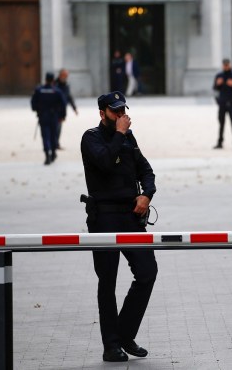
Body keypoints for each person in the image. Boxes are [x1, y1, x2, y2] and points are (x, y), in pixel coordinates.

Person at [80, 91, 157, 362]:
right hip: (104, 218)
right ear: (102, 114)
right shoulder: (92, 138)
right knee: (107, 281)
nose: (121, 115)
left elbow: (145, 170)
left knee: (148, 272)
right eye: (115, 111)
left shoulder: (128, 138)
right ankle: (111, 345)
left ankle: (125, 333)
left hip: (130, 217)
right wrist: (120, 134)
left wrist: (147, 194)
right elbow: (103, 162)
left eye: (123, 109)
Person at [31, 72, 66, 165]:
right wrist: (63, 116)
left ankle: (47, 155)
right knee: (53, 135)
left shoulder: (39, 90)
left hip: (43, 116)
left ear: (45, 79)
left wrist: (37, 110)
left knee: (45, 136)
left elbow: (33, 104)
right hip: (54, 116)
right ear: (53, 80)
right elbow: (63, 104)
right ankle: (53, 153)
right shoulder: (57, 91)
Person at [213, 58, 232, 149]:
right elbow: (214, 87)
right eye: (224, 65)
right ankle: (220, 142)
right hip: (222, 102)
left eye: (227, 64)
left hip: (231, 102)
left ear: (230, 65)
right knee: (221, 123)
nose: (226, 66)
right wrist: (218, 84)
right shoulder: (219, 75)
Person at [54, 68, 78, 150]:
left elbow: (69, 97)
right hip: (54, 110)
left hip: (62, 110)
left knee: (59, 128)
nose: (66, 77)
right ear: (60, 75)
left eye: (67, 76)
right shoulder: (54, 84)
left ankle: (56, 144)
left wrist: (74, 108)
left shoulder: (66, 85)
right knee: (55, 127)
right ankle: (53, 143)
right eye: (64, 75)